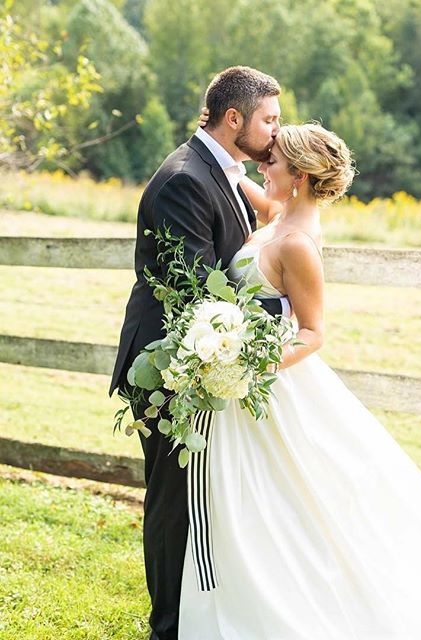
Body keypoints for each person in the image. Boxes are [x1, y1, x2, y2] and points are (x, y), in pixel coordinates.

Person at [176, 121, 421, 639]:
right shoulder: (279, 214)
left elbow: (314, 332)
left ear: (297, 175)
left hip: (270, 384)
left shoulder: (297, 241)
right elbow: (230, 181)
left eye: (270, 161)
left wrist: (246, 368)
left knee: (294, 497)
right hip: (248, 381)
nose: (260, 165)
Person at [109, 66, 291, 640]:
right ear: (233, 118)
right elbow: (199, 291)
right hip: (166, 367)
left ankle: (198, 616)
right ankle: (168, 627)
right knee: (172, 501)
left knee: (202, 499)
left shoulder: (227, 173)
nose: (275, 132)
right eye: (269, 120)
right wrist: (290, 316)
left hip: (197, 361)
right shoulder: (186, 178)